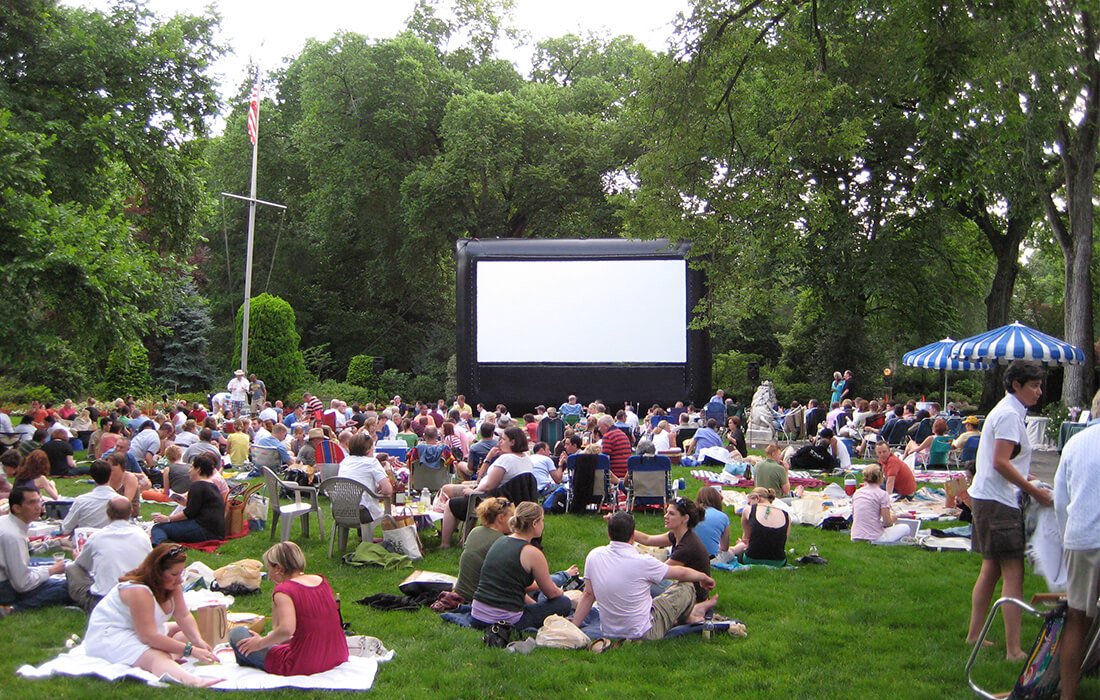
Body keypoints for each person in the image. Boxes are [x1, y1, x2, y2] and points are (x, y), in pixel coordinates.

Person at [965, 360, 1050, 661]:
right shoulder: (1009, 414)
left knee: (990, 570)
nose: (1039, 391)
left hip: (989, 498)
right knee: (1014, 573)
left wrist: (1028, 479)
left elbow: (997, 461)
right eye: (1034, 386)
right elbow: (1001, 462)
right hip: (997, 502)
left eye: (1039, 385)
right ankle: (1014, 650)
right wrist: (1035, 491)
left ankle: (974, 635)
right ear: (1016, 385)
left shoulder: (1008, 411)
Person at [83, 544, 221, 686]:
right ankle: (193, 681)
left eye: (181, 573)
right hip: (112, 634)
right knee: (157, 656)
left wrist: (198, 641)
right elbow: (148, 637)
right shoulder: (138, 591)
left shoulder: (173, 587)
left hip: (143, 629)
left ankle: (169, 659)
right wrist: (190, 650)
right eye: (174, 574)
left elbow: (183, 616)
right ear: (157, 572)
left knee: (188, 633)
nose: (180, 579)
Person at [571, 511, 717, 641]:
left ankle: (688, 615)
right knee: (686, 586)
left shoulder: (594, 556)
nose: (666, 516)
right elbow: (682, 572)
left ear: (609, 534)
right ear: (633, 536)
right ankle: (688, 616)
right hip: (644, 631)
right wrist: (704, 577)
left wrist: (574, 627)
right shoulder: (643, 562)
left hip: (609, 630)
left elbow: (588, 594)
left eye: (671, 513)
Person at [229, 542, 348, 676]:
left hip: (305, 663)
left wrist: (260, 643)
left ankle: (251, 659)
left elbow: (286, 629)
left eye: (269, 568)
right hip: (338, 653)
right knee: (265, 642)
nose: (269, 575)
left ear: (278, 568)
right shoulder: (320, 580)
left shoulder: (285, 591)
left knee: (237, 634)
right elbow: (312, 626)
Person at [1053, 390, 1100, 700]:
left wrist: (1065, 536)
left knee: (1077, 619)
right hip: (1083, 535)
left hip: (1081, 537)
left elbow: (1060, 499)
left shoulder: (1075, 443)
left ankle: (1068, 694)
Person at [469, 502, 572, 630]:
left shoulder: (500, 541)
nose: (543, 525)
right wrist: (562, 592)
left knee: (536, 602)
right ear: (535, 523)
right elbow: (551, 593)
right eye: (542, 521)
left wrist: (534, 605)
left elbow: (512, 586)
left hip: (477, 615)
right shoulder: (533, 553)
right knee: (563, 603)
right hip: (504, 621)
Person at [439, 427, 533, 548]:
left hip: (490, 500)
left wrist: (473, 491)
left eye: (503, 439)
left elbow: (488, 484)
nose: (499, 442)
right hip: (511, 499)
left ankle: (445, 543)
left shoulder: (506, 459)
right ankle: (463, 537)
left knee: (451, 503)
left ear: (513, 442)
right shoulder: (525, 458)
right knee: (449, 489)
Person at [66, 496, 152, 611]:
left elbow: (82, 565)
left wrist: (78, 558)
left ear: (107, 513)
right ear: (131, 512)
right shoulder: (143, 536)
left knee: (71, 568)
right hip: (137, 597)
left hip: (103, 602)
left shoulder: (97, 537)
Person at [0, 487, 71, 615]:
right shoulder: (13, 536)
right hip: (4, 588)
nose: (38, 507)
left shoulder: (7, 522)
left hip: (7, 578)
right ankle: (14, 609)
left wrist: (56, 543)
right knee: (66, 587)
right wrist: (52, 570)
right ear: (17, 508)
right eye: (32, 502)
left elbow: (27, 553)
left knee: (43, 565)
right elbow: (22, 584)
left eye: (39, 501)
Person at [631, 497, 711, 601]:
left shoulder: (687, 546)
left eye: (671, 514)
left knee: (638, 584)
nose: (665, 516)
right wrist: (621, 527)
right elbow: (648, 539)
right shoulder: (678, 535)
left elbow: (658, 572)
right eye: (667, 512)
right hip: (684, 587)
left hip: (691, 597)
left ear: (685, 518)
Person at [150, 452, 226, 545]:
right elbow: (200, 508)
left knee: (158, 528)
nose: (189, 471)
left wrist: (168, 519)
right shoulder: (211, 485)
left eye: (192, 467)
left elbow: (188, 513)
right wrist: (185, 503)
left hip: (205, 530)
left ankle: (160, 546)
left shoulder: (198, 485)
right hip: (216, 530)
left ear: (198, 469)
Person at [453, 497, 514, 603]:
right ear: (500, 518)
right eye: (512, 516)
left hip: (461, 591)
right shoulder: (502, 541)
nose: (514, 521)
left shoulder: (475, 531)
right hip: (481, 597)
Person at [337, 432, 393, 524]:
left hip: (340, 509)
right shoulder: (371, 462)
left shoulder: (344, 462)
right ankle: (392, 536)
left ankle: (361, 536)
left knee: (362, 498)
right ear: (368, 450)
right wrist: (387, 470)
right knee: (373, 502)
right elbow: (387, 490)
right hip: (362, 512)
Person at [729, 487, 790, 566]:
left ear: (757, 498)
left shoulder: (749, 510)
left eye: (749, 502)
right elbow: (783, 541)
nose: (749, 504)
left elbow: (746, 540)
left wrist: (740, 544)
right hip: (779, 561)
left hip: (751, 558)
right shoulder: (786, 515)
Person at [850, 465, 909, 543]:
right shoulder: (882, 494)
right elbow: (887, 523)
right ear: (881, 478)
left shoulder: (857, 493)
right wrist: (893, 518)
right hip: (874, 537)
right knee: (906, 528)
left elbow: (856, 515)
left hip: (855, 535)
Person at [61, 459, 117, 533]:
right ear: (110, 475)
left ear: (92, 477)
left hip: (87, 541)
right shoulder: (121, 501)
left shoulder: (81, 501)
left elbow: (66, 528)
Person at [693, 486, 731, 561]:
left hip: (687, 556)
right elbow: (724, 548)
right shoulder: (723, 517)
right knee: (732, 551)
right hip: (710, 558)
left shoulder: (691, 513)